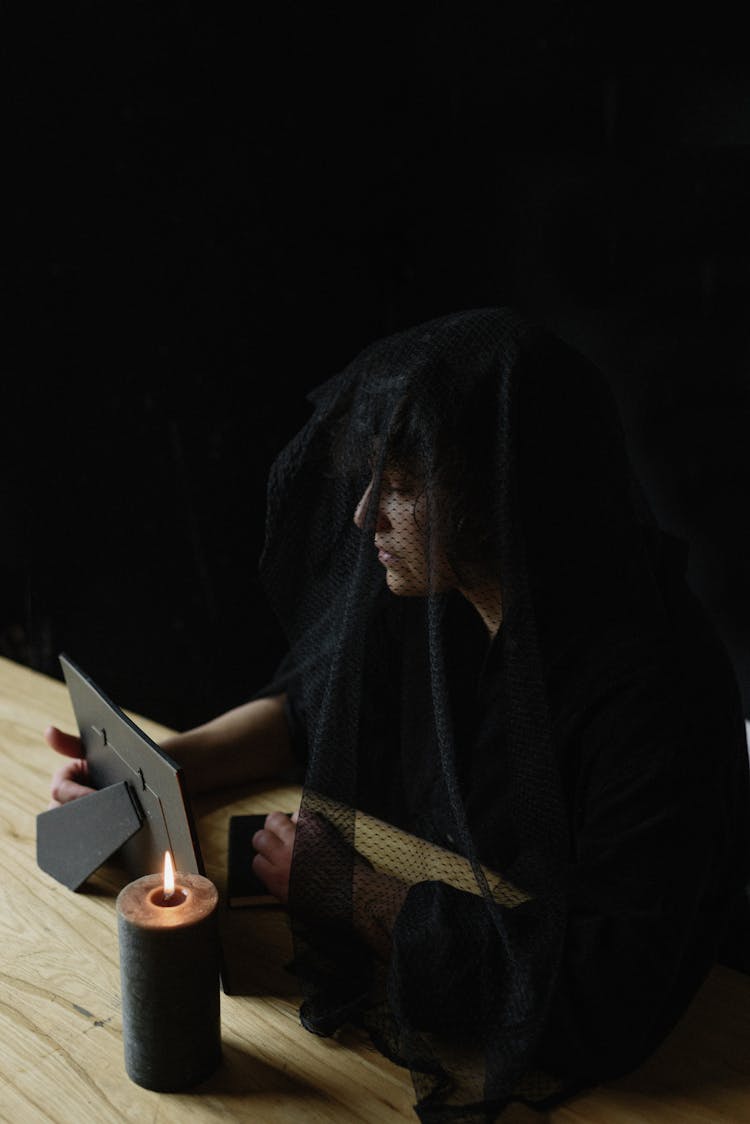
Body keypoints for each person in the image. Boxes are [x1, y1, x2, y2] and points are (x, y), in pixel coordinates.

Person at [48, 308, 750, 1122]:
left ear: (499, 499)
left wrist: (353, 893)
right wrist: (152, 771)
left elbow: (601, 997)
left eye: (403, 489)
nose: (362, 516)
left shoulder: (654, 687)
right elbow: (307, 711)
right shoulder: (435, 596)